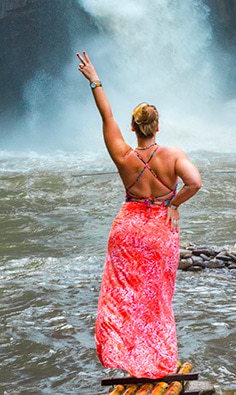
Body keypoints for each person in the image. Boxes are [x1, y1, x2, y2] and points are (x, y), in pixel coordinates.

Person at [76, 51, 203, 379]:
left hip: (128, 228)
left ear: (133, 127)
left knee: (124, 296)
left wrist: (95, 81)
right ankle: (158, 363)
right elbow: (195, 182)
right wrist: (174, 205)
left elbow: (106, 116)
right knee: (157, 298)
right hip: (160, 227)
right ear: (157, 126)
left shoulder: (123, 155)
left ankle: (131, 361)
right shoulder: (173, 155)